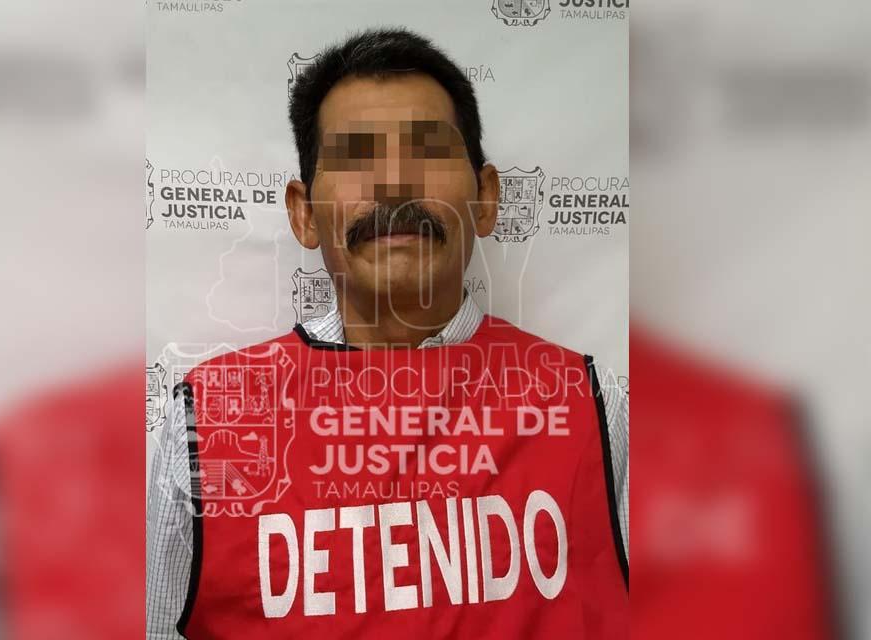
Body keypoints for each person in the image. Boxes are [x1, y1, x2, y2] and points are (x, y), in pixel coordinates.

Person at [147, 27, 628, 639]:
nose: (395, 184)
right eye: (354, 157)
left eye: (428, 150)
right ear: (303, 213)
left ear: (485, 198)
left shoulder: (596, 408)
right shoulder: (207, 419)